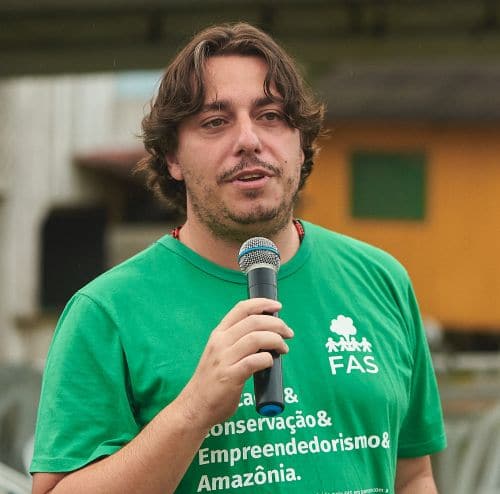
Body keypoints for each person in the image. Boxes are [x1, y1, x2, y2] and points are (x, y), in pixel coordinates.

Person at [31, 22, 446, 493]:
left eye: (271, 116)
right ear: (173, 158)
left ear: (301, 143)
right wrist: (194, 410)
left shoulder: (381, 280)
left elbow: (413, 474)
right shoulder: (105, 313)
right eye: (215, 121)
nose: (248, 139)